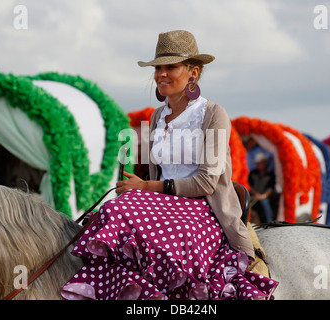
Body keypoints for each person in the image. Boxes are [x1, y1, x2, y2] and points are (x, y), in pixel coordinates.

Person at [61, 30, 277, 300]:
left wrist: (146, 187)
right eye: (158, 68)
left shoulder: (212, 114)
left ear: (193, 73)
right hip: (165, 203)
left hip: (204, 205)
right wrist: (137, 189)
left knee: (121, 210)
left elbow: (207, 182)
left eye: (171, 67)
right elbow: (157, 171)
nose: (161, 74)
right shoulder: (156, 117)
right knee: (113, 208)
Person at [248, 152, 276, 223]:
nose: (259, 165)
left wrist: (263, 196)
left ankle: (269, 222)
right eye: (257, 163)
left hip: (265, 196)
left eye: (260, 163)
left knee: (265, 202)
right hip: (254, 196)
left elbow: (271, 188)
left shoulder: (270, 174)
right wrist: (256, 195)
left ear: (264, 163)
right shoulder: (253, 173)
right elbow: (249, 186)